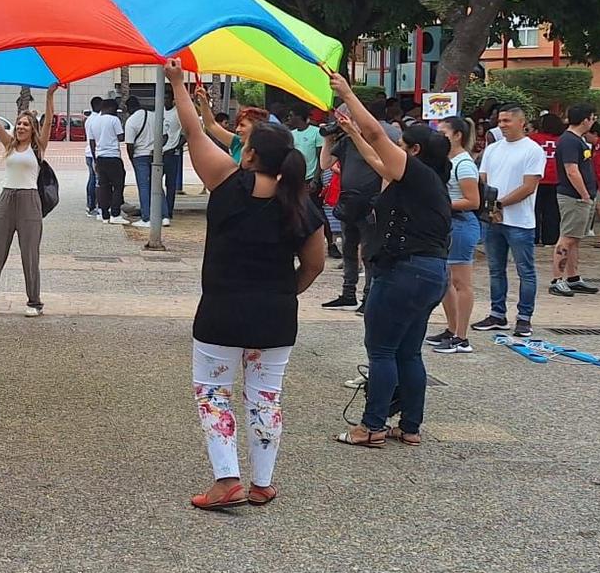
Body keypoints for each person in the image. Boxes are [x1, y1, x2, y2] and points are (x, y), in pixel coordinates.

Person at [164, 62, 325, 510]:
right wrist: (282, 292)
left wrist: (178, 83)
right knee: (266, 396)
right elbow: (313, 265)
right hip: (275, 317)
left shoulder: (227, 182)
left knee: (214, 394)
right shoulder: (303, 205)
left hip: (220, 312)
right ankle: (263, 482)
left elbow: (195, 132)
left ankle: (227, 478)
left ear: (249, 155)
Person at [326, 71, 451, 449]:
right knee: (409, 352)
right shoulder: (420, 181)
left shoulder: (418, 175)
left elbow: (379, 139)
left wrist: (347, 92)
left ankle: (372, 426)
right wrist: (352, 134)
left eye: (403, 144)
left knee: (381, 351)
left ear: (413, 152)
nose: (393, 145)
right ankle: (410, 426)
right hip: (429, 274)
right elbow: (374, 153)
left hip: (405, 274)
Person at [0, 82, 54, 318]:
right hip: (6, 198)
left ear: (33, 129)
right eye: (19, 124)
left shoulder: (38, 148)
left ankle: (34, 302)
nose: (21, 127)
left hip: (29, 200)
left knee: (29, 253)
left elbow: (50, 122)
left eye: (26, 124)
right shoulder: (9, 145)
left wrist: (49, 95)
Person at [474, 105, 544, 337]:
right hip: (493, 220)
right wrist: (488, 205)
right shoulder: (492, 149)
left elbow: (528, 186)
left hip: (520, 221)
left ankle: (524, 317)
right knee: (495, 269)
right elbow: (483, 179)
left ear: (521, 122)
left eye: (506, 120)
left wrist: (500, 204)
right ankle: (497, 313)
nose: (502, 125)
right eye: (500, 120)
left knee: (525, 270)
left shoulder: (532, 150)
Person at [424, 117, 482, 354]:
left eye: (443, 132)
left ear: (457, 135)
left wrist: (441, 204)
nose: (439, 137)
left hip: (461, 225)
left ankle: (461, 336)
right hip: (448, 225)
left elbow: (473, 201)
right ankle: (451, 329)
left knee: (461, 283)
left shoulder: (464, 164)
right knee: (447, 281)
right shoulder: (447, 161)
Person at [319, 103, 385, 310]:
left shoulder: (376, 140)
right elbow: (325, 164)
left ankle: (368, 296)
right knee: (348, 248)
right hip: (348, 202)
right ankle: (348, 292)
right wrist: (328, 139)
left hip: (370, 202)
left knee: (368, 251)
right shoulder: (346, 142)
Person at [549, 104, 600, 296]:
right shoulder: (570, 141)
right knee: (567, 237)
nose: (593, 121)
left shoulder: (578, 139)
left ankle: (573, 277)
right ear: (585, 119)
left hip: (581, 196)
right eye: (592, 117)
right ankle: (557, 279)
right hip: (574, 197)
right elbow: (572, 170)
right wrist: (584, 194)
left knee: (575, 239)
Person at [126, 94, 183, 226]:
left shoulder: (131, 121)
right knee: (157, 186)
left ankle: (147, 218)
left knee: (144, 187)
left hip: (140, 156)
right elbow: (164, 137)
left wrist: (132, 160)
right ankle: (164, 216)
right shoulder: (153, 116)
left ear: (128, 108)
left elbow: (129, 145)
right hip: (155, 155)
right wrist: (156, 148)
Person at [88, 93, 127, 224]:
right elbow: (121, 137)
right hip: (113, 156)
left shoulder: (94, 121)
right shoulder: (113, 120)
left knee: (103, 186)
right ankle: (115, 214)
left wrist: (95, 158)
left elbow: (92, 142)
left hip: (100, 157)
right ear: (110, 108)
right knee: (118, 185)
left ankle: (104, 214)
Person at [529, 113, 564, 247]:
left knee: (534, 209)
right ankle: (551, 239)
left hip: (537, 179)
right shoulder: (561, 140)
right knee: (552, 211)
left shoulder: (533, 139)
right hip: (556, 179)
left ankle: (534, 237)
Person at [82, 97, 105, 217]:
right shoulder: (97, 119)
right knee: (96, 181)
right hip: (94, 153)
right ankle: (93, 206)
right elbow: (93, 140)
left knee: (92, 179)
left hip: (89, 153)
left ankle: (90, 205)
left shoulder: (89, 119)